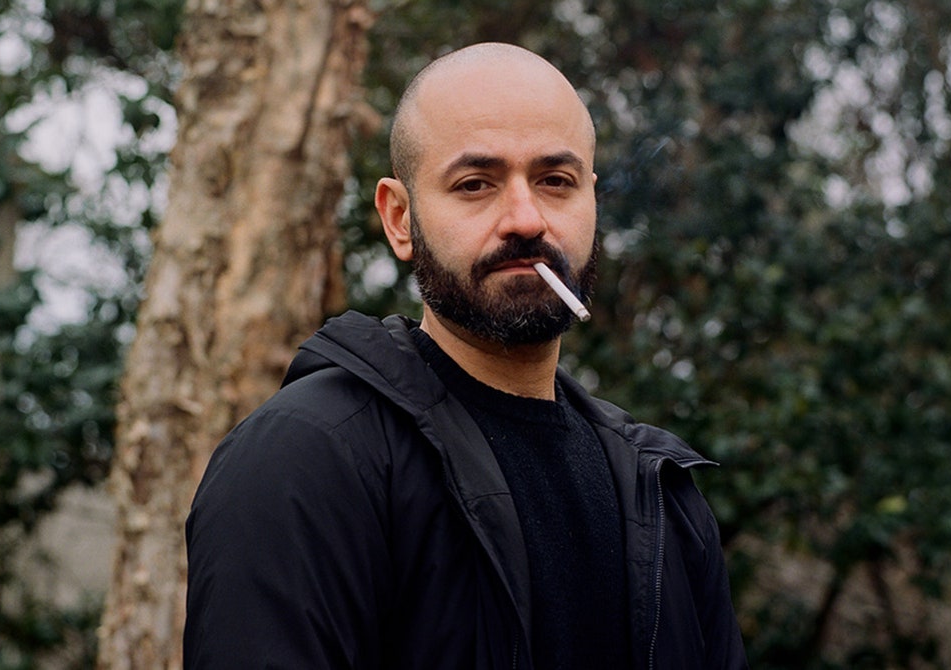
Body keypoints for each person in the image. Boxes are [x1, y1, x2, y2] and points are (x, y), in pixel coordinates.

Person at [183, 42, 748, 670]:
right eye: (475, 184)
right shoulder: (307, 459)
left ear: (593, 200)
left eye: (555, 182)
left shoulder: (661, 494)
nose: (526, 220)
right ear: (400, 218)